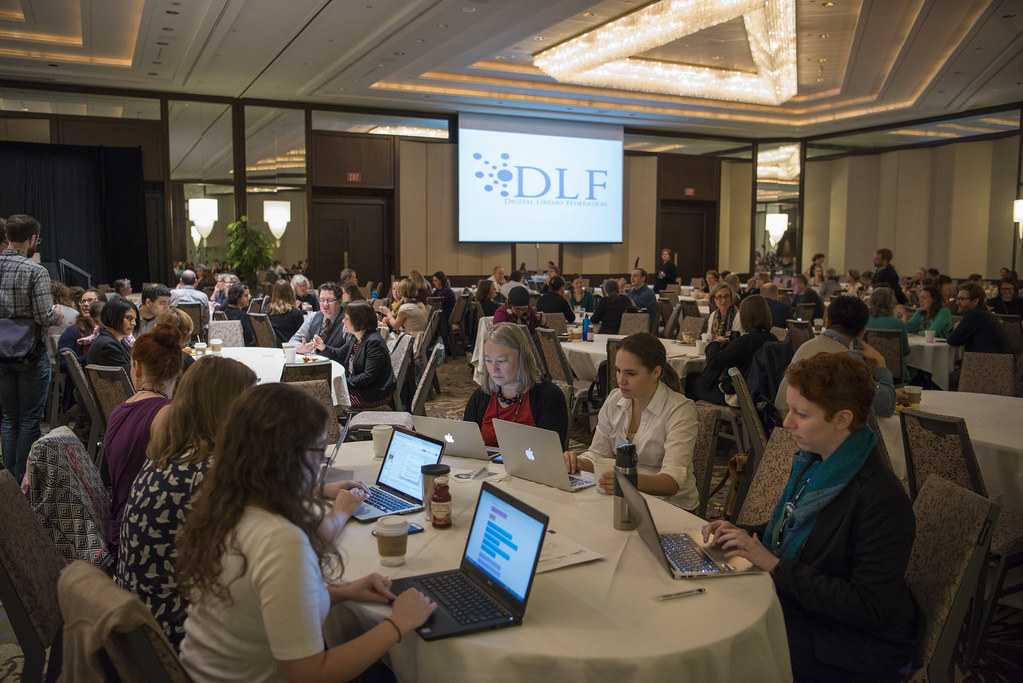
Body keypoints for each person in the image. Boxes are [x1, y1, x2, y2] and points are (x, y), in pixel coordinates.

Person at [176, 383, 434, 681]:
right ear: (290, 459)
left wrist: (339, 593)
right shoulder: (280, 540)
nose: (322, 461)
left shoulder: (225, 508)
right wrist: (399, 624)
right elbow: (310, 673)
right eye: (318, 450)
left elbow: (263, 608)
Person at [704, 352, 919, 680]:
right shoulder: (817, 464)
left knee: (723, 647)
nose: (787, 422)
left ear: (842, 418)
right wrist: (741, 534)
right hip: (806, 607)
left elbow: (868, 607)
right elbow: (791, 532)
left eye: (800, 414)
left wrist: (773, 564)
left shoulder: (880, 499)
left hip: (854, 642)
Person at [117, 356, 258, 649]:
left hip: (138, 617)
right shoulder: (208, 471)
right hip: (172, 631)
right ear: (228, 407)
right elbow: (269, 537)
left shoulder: (173, 452)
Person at [564, 333, 698, 510]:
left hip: (669, 505)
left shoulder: (680, 410)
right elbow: (598, 453)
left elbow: (672, 482)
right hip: (624, 496)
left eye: (631, 373)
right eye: (618, 370)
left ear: (656, 372)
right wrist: (580, 463)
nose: (621, 380)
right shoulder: (614, 399)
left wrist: (627, 480)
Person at [103, 324, 183, 561]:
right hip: (142, 539)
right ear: (178, 371)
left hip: (121, 527)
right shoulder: (167, 417)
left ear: (136, 368)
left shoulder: (119, 410)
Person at [0, 214, 60, 483]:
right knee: (29, 420)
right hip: (30, 355)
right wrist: (56, 312)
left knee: (9, 418)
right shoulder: (36, 271)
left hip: (1, 354)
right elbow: (44, 318)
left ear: (7, 237)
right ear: (32, 239)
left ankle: (7, 483)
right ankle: (22, 481)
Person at [775, 296, 896, 419]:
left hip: (782, 426)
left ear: (827, 322)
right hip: (809, 433)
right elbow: (885, 407)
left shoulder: (806, 345)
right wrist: (880, 361)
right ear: (861, 333)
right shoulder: (848, 360)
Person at [463, 322, 568, 447]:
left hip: (530, 467)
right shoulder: (481, 396)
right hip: (486, 467)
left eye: (501, 361)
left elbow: (550, 453)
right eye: (488, 360)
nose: (493, 368)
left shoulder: (548, 397)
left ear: (522, 358)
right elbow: (467, 447)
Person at [687, 296, 777, 406]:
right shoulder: (772, 338)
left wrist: (715, 342)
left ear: (745, 316)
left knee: (690, 380)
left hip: (738, 397)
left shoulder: (747, 341)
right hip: (760, 394)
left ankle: (704, 419)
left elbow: (714, 361)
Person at [312, 302, 395, 409]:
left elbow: (368, 377)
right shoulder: (356, 338)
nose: (343, 321)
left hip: (372, 394)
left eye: (347, 318)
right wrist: (323, 347)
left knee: (325, 400)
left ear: (358, 320)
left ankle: (335, 424)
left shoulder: (374, 342)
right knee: (322, 396)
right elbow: (340, 354)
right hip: (360, 388)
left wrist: (342, 383)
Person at [948, 281, 1012, 354]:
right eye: (957, 299)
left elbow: (952, 341)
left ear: (975, 301)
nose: (957, 302)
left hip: (990, 363)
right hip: (1000, 361)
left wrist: (956, 326)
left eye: (962, 299)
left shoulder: (974, 315)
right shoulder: (983, 314)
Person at [87, 297, 137, 378]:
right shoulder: (108, 345)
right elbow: (128, 378)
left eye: (134, 319)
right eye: (128, 318)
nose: (133, 323)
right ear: (113, 317)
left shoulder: (114, 340)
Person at [866, 287, 910, 380]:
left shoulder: (864, 322)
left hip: (868, 373)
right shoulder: (899, 324)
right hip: (896, 374)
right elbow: (905, 351)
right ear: (892, 303)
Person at [289, 282, 348, 349]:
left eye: (330, 300)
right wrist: (300, 347)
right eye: (322, 300)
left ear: (340, 301)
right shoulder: (313, 316)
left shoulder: (347, 321)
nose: (325, 304)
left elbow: (347, 352)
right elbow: (293, 341)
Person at [217, 282, 256, 347]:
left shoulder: (225, 313)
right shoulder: (242, 316)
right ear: (237, 297)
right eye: (246, 296)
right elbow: (249, 339)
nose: (249, 298)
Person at [266, 279, 305, 344]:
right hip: (290, 350)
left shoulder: (267, 312)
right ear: (291, 292)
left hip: (271, 349)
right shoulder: (296, 314)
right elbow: (301, 336)